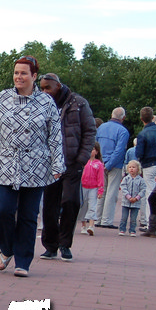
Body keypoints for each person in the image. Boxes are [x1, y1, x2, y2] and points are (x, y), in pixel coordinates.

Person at [0, 56, 64, 278]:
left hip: (36, 166)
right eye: (16, 73)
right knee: (3, 210)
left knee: (28, 215)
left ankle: (23, 261)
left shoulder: (46, 102)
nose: (19, 77)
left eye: (24, 73)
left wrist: (57, 164)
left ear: (34, 76)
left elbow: (55, 136)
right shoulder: (2, 98)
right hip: (6, 163)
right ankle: (6, 249)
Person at [37, 73, 95, 262]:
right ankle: (50, 246)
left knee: (70, 202)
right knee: (49, 206)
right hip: (49, 163)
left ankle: (65, 244)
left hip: (71, 162)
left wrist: (81, 159)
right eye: (42, 88)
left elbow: (89, 131)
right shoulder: (41, 104)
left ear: (58, 86)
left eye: (48, 87)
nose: (45, 91)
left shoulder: (78, 104)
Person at [135, 106, 156, 231]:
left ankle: (151, 224)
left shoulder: (142, 134)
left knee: (150, 193)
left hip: (149, 165)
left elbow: (139, 153)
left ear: (141, 119)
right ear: (153, 117)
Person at [95, 107, 129, 229]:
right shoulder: (123, 131)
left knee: (101, 191)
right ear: (123, 118)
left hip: (100, 162)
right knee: (112, 192)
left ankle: (97, 218)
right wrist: (109, 164)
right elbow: (119, 150)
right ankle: (107, 220)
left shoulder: (101, 128)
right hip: (115, 165)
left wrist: (99, 161)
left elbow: (95, 145)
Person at [79, 142, 104, 236]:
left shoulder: (99, 164)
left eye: (93, 149)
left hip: (93, 188)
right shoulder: (83, 162)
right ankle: (83, 225)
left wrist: (100, 189)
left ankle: (91, 225)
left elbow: (100, 178)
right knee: (83, 206)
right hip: (83, 187)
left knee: (92, 206)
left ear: (96, 152)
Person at [118, 160, 145, 237]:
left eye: (133, 167)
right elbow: (123, 188)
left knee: (133, 218)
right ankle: (122, 229)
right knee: (124, 217)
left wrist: (137, 198)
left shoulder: (141, 180)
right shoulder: (126, 179)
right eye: (130, 167)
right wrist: (128, 197)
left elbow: (143, 190)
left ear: (138, 169)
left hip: (136, 203)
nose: (131, 169)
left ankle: (132, 230)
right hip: (126, 202)